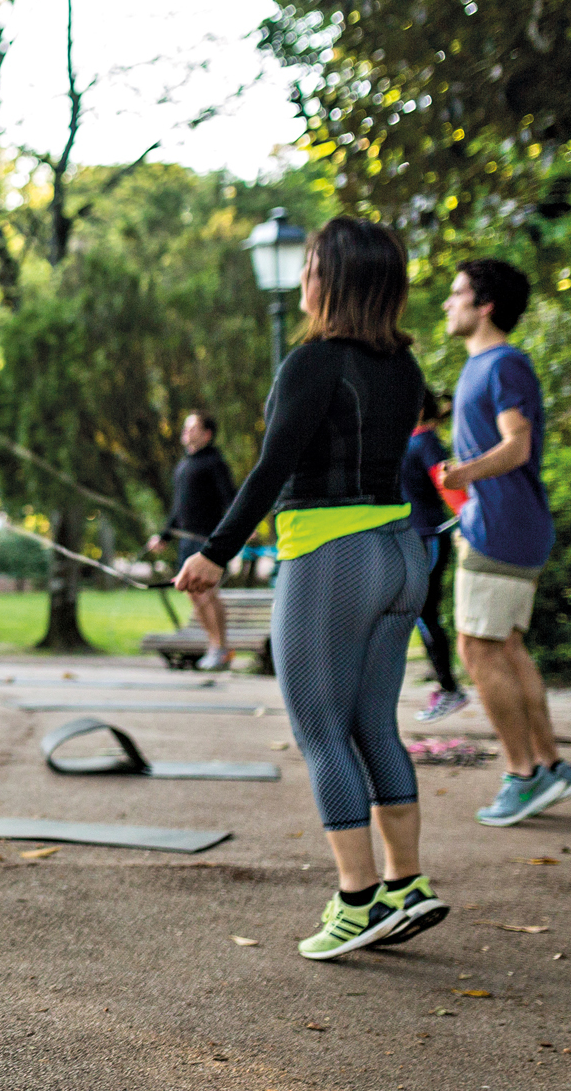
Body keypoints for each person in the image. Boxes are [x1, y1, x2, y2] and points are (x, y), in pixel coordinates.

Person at [175, 217, 441, 961]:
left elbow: (271, 468)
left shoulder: (312, 361)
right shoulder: (405, 366)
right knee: (374, 727)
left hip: (331, 558)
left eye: (312, 266)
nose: (302, 279)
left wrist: (216, 554)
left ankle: (356, 903)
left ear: (332, 280)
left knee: (322, 732)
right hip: (400, 556)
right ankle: (405, 886)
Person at [439, 259, 567, 825]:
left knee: (477, 648)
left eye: (457, 293)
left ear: (484, 304)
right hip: (506, 524)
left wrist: (465, 474)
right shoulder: (483, 366)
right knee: (507, 648)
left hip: (502, 526)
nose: (448, 303)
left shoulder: (504, 364)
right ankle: (549, 766)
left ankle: (523, 775)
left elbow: (517, 445)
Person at [145, 412, 239, 671]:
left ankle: (222, 649)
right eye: (185, 427)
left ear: (207, 434)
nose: (186, 432)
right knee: (193, 596)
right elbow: (178, 509)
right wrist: (164, 536)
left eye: (193, 428)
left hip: (207, 541)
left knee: (208, 594)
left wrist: (243, 527)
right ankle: (213, 647)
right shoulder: (184, 464)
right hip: (185, 541)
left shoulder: (214, 462)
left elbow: (230, 498)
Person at [398, 391, 469, 722]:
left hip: (429, 537)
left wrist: (469, 522)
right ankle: (448, 688)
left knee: (424, 613)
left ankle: (450, 690)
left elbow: (449, 486)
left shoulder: (425, 442)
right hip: (412, 538)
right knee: (419, 613)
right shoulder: (407, 441)